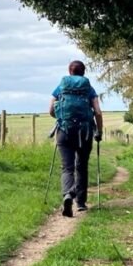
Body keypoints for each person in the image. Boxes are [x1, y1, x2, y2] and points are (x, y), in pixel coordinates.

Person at [49, 60, 104, 217]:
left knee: (67, 168)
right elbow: (98, 112)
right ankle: (79, 202)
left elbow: (51, 109)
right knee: (81, 167)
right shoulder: (89, 89)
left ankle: (67, 194)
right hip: (84, 132)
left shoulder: (62, 87)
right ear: (84, 72)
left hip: (64, 131)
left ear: (69, 71)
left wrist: (60, 118)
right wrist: (99, 131)